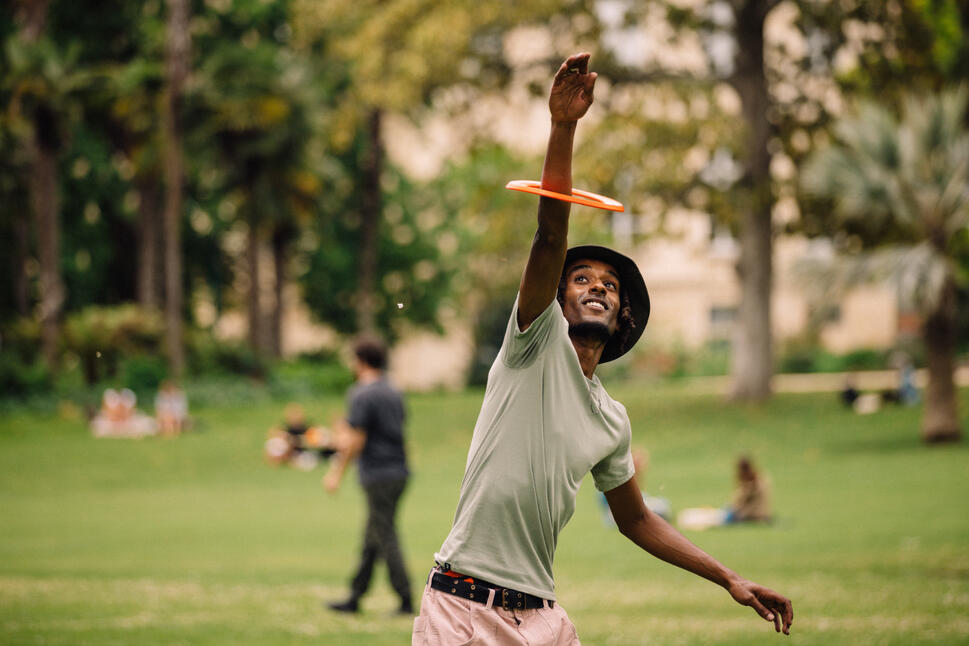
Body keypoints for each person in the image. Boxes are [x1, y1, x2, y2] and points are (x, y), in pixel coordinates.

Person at [413, 53, 792, 645]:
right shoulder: (531, 348)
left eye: (610, 286)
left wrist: (730, 578)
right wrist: (563, 127)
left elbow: (636, 518)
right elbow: (549, 236)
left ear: (623, 316)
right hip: (464, 607)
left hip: (541, 616)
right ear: (558, 300)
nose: (597, 288)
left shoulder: (611, 419)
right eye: (582, 279)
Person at [324, 337, 414, 615]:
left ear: (360, 361)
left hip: (377, 473)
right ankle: (355, 596)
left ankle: (406, 598)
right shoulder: (394, 391)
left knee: (384, 533)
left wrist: (336, 472)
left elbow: (356, 440)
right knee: (373, 534)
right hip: (399, 471)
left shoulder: (361, 393)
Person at [726, 456, 772, 523]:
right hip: (753, 513)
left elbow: (750, 503)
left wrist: (739, 513)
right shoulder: (756, 480)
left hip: (755, 514)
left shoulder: (755, 483)